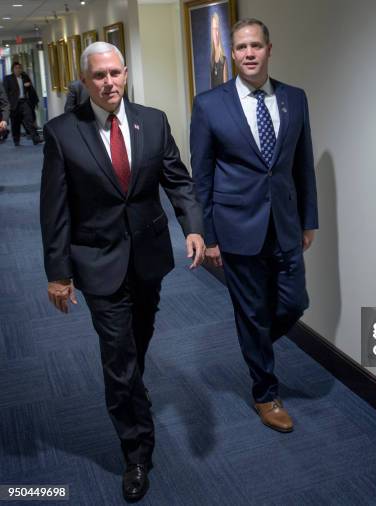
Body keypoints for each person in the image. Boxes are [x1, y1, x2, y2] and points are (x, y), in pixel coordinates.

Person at [40, 42, 205, 502]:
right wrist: (58, 272)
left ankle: (133, 387)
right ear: (85, 80)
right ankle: (136, 450)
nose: (109, 82)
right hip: (97, 262)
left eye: (115, 73)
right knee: (117, 356)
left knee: (137, 340)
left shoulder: (152, 121)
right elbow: (53, 212)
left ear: (126, 72)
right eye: (99, 76)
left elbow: (178, 179)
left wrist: (192, 227)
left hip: (148, 258)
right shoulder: (61, 133)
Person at [191, 18, 318, 433]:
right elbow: (203, 175)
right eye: (241, 47)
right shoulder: (210, 104)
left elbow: (302, 166)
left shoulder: (294, 99)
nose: (248, 53)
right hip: (236, 227)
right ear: (233, 54)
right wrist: (209, 236)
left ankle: (255, 341)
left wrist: (308, 221)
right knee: (251, 312)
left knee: (294, 303)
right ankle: (265, 392)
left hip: (284, 224)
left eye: (255, 46)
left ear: (268, 49)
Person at [3, 61, 41, 146]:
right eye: (16, 68)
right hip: (14, 104)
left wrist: (29, 86)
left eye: (19, 68)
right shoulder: (8, 78)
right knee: (15, 123)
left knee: (29, 119)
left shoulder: (25, 77)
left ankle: (36, 138)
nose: (18, 70)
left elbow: (31, 89)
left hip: (24, 102)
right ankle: (16, 140)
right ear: (13, 69)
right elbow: (5, 92)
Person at [210, 12, 228, 88]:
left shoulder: (224, 60)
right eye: (214, 29)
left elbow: (225, 89)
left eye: (217, 29)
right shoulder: (211, 59)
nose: (216, 33)